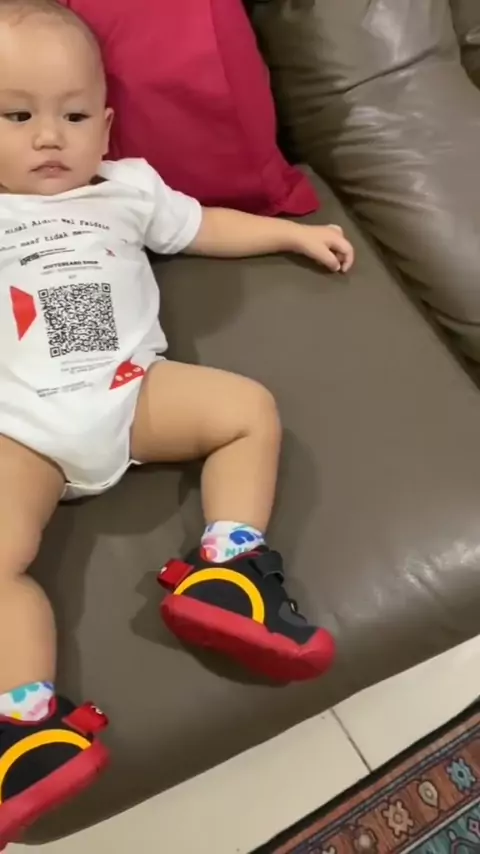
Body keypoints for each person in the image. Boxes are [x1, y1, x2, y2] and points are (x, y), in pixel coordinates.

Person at [0, 0, 355, 845]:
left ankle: (228, 571)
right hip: (22, 427)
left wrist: (290, 237)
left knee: (247, 410)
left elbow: (204, 228)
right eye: (15, 117)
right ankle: (24, 728)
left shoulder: (129, 188)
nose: (49, 137)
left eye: (74, 116)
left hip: (135, 393)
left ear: (106, 126)